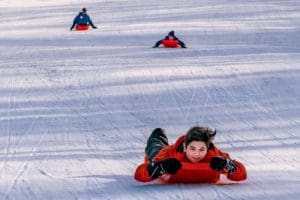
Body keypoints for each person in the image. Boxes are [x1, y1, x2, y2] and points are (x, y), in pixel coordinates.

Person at [134, 126, 247, 184]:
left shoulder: (213, 154)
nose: (197, 154)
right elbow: (139, 175)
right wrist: (161, 166)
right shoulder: (172, 153)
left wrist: (227, 165)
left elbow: (242, 175)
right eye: (192, 149)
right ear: (185, 147)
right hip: (163, 152)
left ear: (207, 149)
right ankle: (158, 134)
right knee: (155, 147)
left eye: (202, 149)